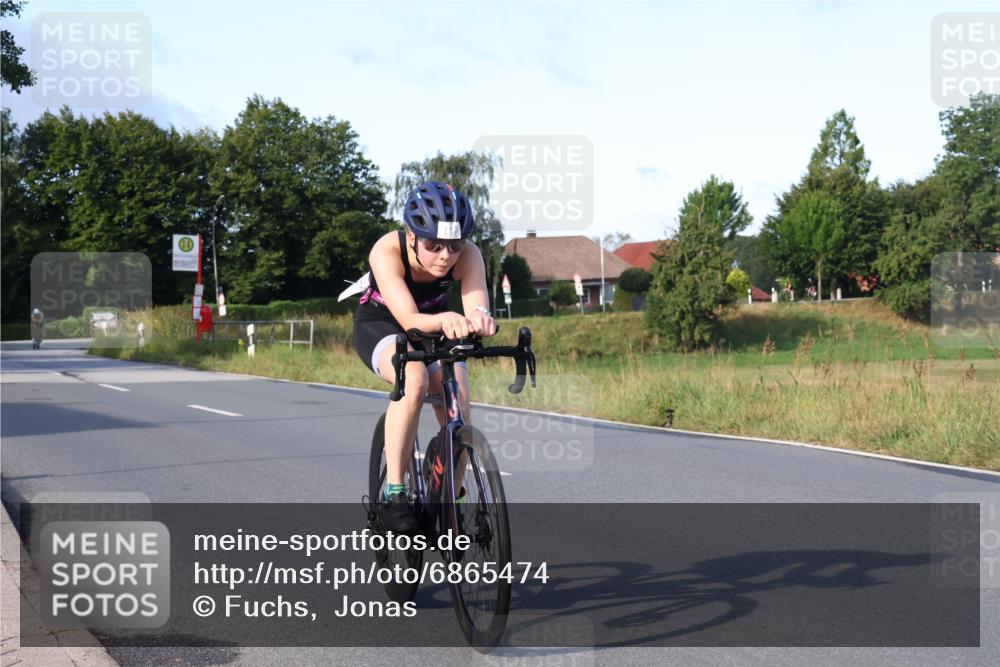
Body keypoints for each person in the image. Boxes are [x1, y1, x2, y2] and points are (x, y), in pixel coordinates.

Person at [352, 181, 497, 534]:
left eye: (454, 245)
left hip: (436, 324)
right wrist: (448, 320)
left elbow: (477, 306)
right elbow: (409, 320)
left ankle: (452, 498)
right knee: (414, 379)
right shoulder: (387, 250)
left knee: (458, 398)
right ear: (412, 237)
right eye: (434, 246)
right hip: (382, 323)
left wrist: (480, 318)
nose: (446, 256)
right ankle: (395, 493)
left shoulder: (469, 254)